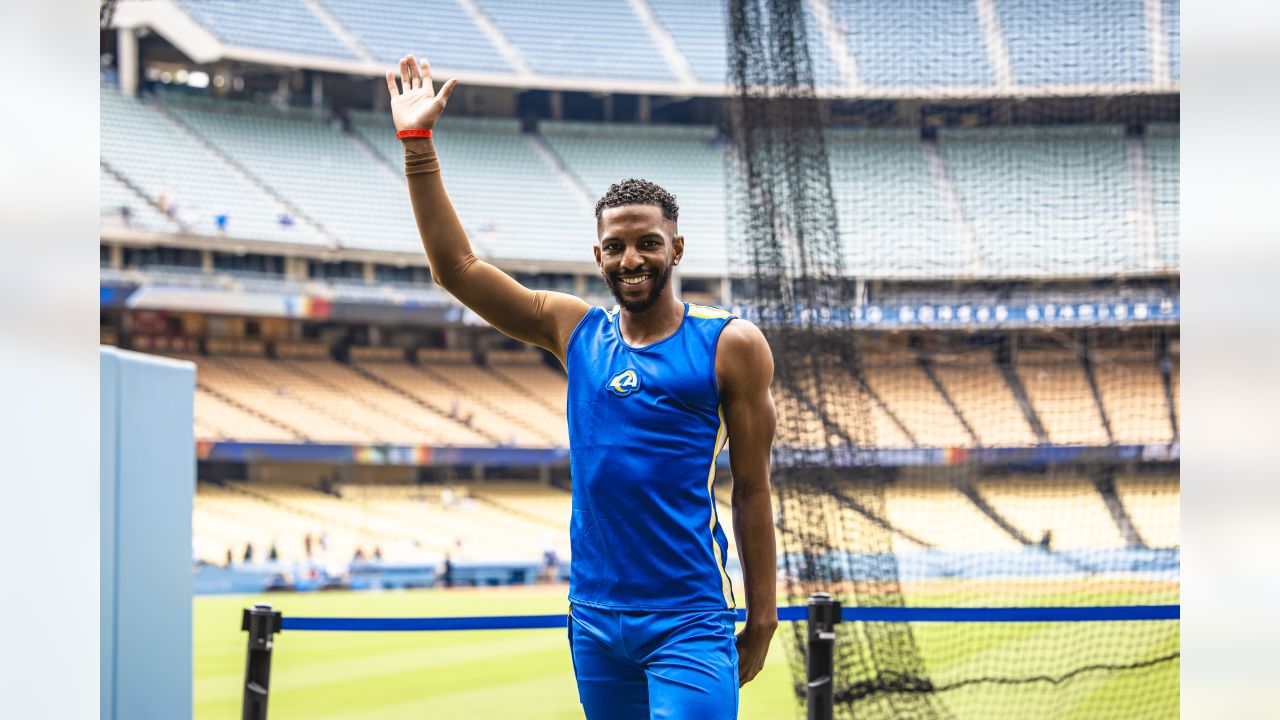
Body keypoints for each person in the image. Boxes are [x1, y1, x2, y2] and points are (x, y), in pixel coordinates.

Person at [386, 55, 778, 719]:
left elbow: (754, 487)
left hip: (688, 617)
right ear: (597, 254)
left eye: (648, 243)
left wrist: (763, 615)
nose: (633, 259)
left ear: (676, 249)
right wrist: (417, 145)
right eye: (617, 246)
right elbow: (456, 269)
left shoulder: (730, 345)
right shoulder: (573, 330)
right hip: (594, 621)